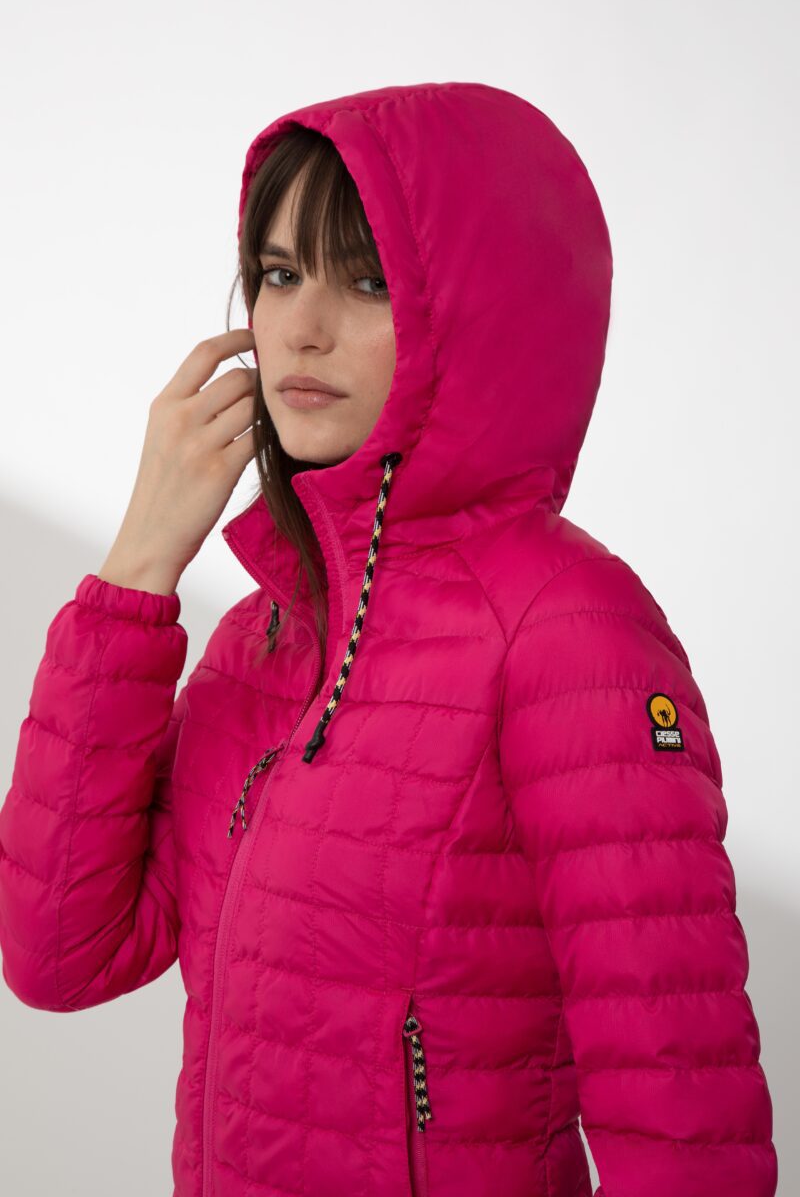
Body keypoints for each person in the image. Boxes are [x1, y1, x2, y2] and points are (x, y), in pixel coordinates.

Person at [0, 81, 778, 1197]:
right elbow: (58, 954)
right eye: (279, 274)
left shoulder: (568, 633)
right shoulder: (267, 639)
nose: (303, 328)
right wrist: (135, 571)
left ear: (483, 309)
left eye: (368, 281)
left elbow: (682, 1119)